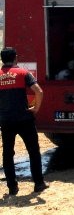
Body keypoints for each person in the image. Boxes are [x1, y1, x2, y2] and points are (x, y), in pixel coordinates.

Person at [0, 47, 48, 196]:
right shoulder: (23, 73)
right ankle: (39, 184)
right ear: (15, 58)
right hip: (24, 119)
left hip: (6, 121)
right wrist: (35, 108)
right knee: (33, 151)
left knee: (8, 154)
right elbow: (39, 91)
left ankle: (12, 187)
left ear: (2, 59)